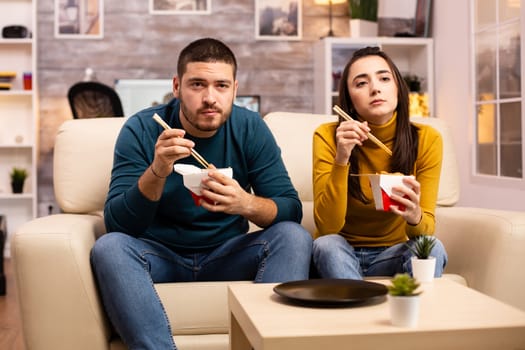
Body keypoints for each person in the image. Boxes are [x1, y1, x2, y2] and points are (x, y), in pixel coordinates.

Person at [90, 38, 312, 350]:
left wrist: (244, 203)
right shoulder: (141, 129)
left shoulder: (250, 127)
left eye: (221, 85)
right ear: (177, 86)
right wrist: (157, 170)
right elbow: (118, 225)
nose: (210, 97)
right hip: (159, 255)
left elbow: (290, 209)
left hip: (228, 253)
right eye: (197, 84)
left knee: (293, 236)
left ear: (235, 89)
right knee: (110, 247)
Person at [312, 46, 447, 280]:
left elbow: (424, 230)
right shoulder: (328, 135)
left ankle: (415, 314)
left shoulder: (427, 139)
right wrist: (342, 157)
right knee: (326, 245)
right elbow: (327, 227)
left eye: (384, 78)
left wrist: (414, 214)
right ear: (350, 100)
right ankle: (360, 309)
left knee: (430, 246)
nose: (375, 88)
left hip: (392, 254)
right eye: (361, 83)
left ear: (398, 88)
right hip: (341, 251)